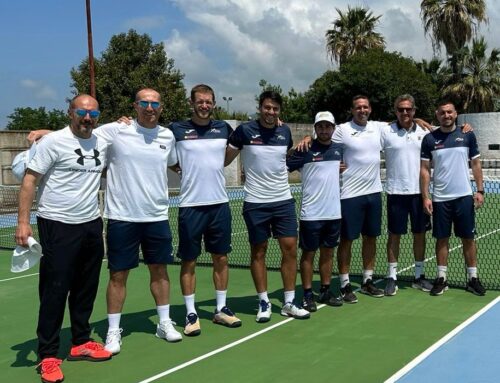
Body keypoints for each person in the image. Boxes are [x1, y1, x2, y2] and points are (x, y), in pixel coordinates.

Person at [16, 95, 113, 383]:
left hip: (91, 224)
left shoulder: (102, 141)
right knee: (55, 290)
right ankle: (47, 354)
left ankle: (81, 341)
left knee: (86, 286)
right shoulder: (53, 142)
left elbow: (123, 131)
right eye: (81, 111)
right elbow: (30, 180)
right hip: (57, 224)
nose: (87, 117)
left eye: (93, 112)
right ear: (70, 113)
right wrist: (23, 223)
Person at [102, 88, 182, 353]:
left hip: (157, 216)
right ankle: (113, 332)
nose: (150, 108)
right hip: (122, 216)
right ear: (135, 106)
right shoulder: (116, 130)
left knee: (160, 271)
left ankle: (164, 323)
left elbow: (173, 162)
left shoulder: (167, 136)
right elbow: (79, 135)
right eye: (144, 103)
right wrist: (45, 133)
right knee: (118, 275)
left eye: (154, 104)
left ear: (161, 107)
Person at [225, 90, 310, 322]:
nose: (271, 112)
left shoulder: (284, 132)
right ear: (259, 108)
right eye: (267, 108)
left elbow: (286, 158)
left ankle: (289, 302)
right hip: (255, 202)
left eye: (275, 109)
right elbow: (224, 159)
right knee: (258, 251)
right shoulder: (244, 131)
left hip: (283, 200)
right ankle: (263, 302)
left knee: (290, 248)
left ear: (279, 111)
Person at [169, 84, 241, 336]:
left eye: (208, 101)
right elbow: (165, 155)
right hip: (190, 206)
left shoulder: (223, 128)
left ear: (214, 103)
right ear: (192, 103)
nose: (204, 105)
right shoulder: (175, 130)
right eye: (200, 101)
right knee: (189, 260)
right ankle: (191, 313)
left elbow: (233, 150)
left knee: (221, 257)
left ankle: (221, 308)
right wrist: (179, 168)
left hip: (219, 204)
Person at [420, 99, 486, 296]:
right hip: (440, 199)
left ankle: (473, 279)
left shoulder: (467, 134)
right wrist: (425, 197)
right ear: (437, 115)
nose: (446, 115)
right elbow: (424, 170)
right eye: (442, 113)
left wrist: (480, 190)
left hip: (464, 197)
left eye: (449, 112)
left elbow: (476, 164)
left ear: (455, 114)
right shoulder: (429, 139)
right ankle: (441, 278)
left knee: (468, 238)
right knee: (442, 239)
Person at [286, 111, 343, 312]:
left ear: (333, 129)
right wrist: (297, 145)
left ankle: (326, 290)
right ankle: (308, 294)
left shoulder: (339, 150)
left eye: (328, 126)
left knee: (328, 253)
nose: (324, 130)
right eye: (320, 126)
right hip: (311, 214)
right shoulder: (305, 149)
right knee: (308, 254)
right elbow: (283, 163)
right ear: (315, 129)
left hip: (334, 213)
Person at [380, 95, 433, 295]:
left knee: (419, 235)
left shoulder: (425, 131)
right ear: (395, 111)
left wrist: (466, 128)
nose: (405, 113)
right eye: (401, 109)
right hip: (396, 193)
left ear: (414, 110)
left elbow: (448, 132)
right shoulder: (385, 131)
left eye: (408, 109)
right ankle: (392, 277)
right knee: (394, 236)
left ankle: (419, 276)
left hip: (420, 194)